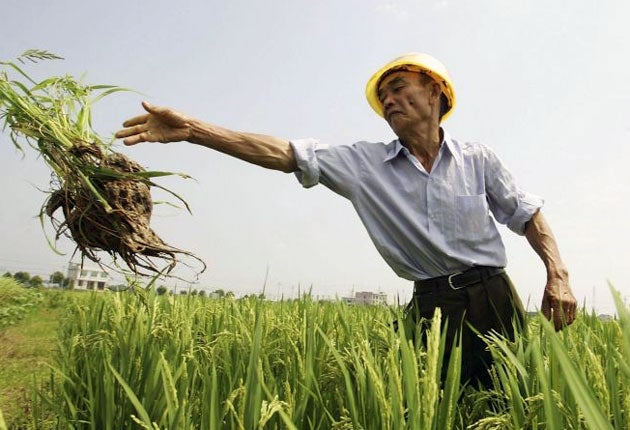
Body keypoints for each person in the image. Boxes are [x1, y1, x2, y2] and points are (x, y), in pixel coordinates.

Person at [115, 53, 577, 387]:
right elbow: (283, 153)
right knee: (428, 407)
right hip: (431, 305)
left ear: (435, 90)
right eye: (382, 97)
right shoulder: (364, 164)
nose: (388, 100)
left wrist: (557, 273)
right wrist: (195, 131)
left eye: (398, 88)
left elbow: (527, 213)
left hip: (492, 295)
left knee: (513, 399)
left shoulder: (478, 159)